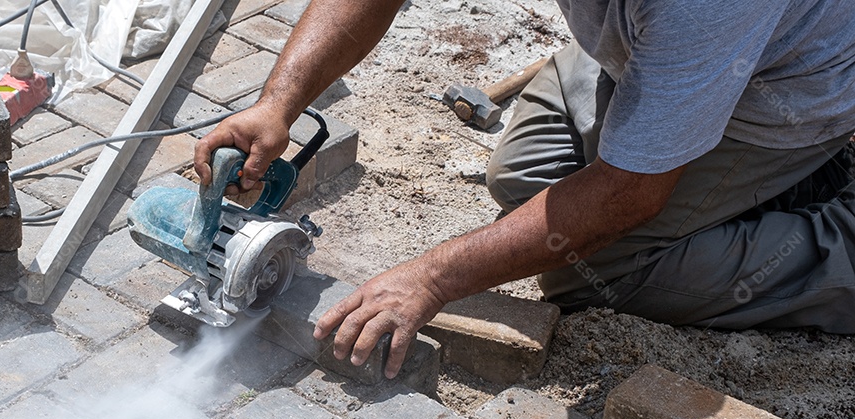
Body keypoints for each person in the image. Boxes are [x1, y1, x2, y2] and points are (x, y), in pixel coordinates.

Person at [194, 0, 855, 379]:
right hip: (650, 45)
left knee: (594, 268)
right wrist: (278, 104)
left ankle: (836, 230)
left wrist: (429, 279)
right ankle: (657, 94)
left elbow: (629, 194)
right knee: (522, 182)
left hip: (776, 101)